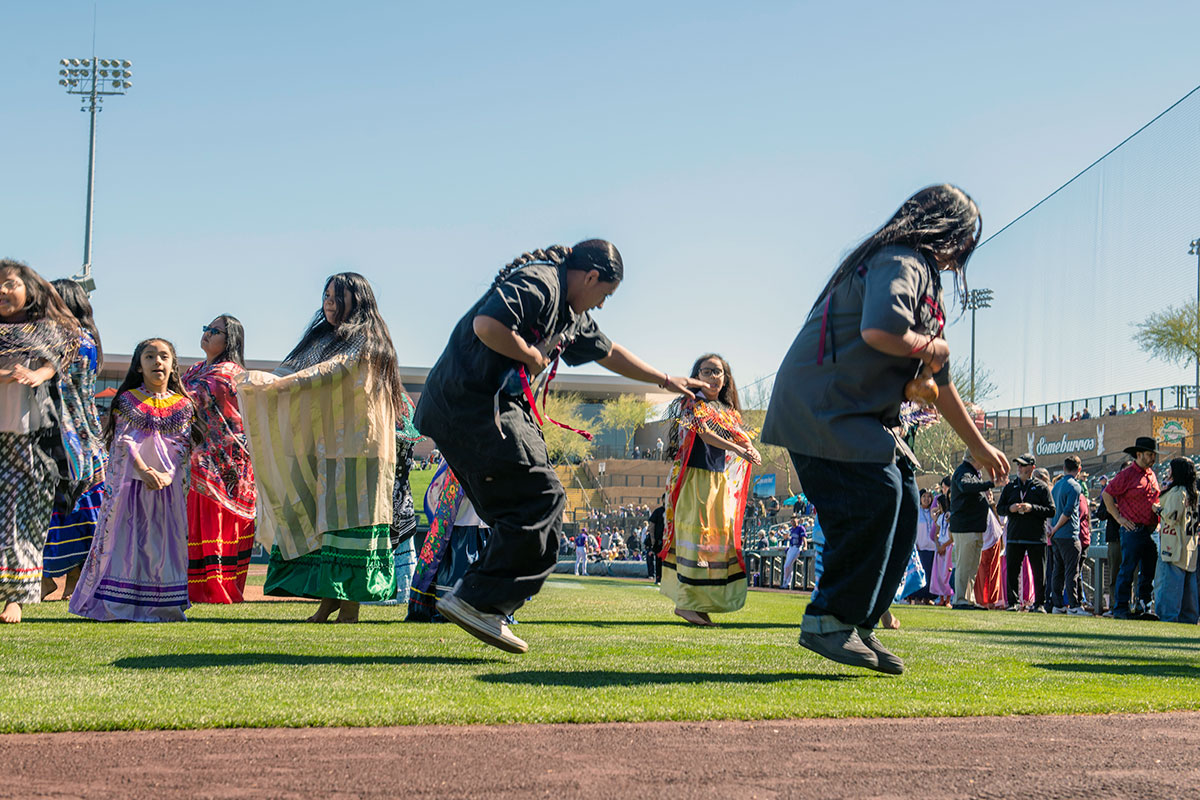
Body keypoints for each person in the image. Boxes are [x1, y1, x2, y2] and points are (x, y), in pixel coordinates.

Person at [762, 184, 1008, 674]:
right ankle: (829, 619)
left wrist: (979, 448)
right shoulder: (902, 260)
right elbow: (881, 330)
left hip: (848, 414)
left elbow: (939, 380)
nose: (965, 252)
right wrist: (931, 349)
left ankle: (857, 622)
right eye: (965, 239)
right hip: (823, 409)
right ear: (948, 230)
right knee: (878, 493)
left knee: (903, 498)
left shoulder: (923, 277)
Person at [414, 241, 704, 653]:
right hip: (471, 407)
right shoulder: (540, 283)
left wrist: (665, 379)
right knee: (544, 499)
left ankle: (481, 600)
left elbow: (610, 352)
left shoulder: (572, 315)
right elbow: (486, 325)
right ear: (589, 277)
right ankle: (477, 600)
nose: (601, 305)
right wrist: (530, 353)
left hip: (481, 410)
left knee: (530, 513)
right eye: (605, 294)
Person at [242, 273, 403, 623]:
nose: (328, 302)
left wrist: (280, 383)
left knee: (353, 524)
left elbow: (331, 371)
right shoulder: (321, 339)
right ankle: (328, 602)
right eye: (326, 295)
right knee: (327, 522)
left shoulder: (368, 339)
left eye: (336, 296)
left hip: (362, 449)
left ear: (356, 300)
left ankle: (350, 607)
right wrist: (265, 383)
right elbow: (295, 368)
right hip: (327, 446)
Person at [69, 339, 196, 622]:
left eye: (164, 356)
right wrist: (145, 471)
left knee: (162, 542)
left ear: (173, 364)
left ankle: (162, 606)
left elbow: (181, 444)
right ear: (139, 366)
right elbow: (124, 441)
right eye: (150, 356)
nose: (157, 362)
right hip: (132, 486)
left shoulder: (184, 405)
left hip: (167, 487)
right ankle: (119, 605)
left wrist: (167, 474)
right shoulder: (128, 401)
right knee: (126, 539)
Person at [0, 261, 83, 623]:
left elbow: (57, 359)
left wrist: (38, 373)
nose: (2, 291)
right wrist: (7, 374)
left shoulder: (49, 329)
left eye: (9, 284)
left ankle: (15, 598)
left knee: (20, 517)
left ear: (30, 290)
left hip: (30, 438)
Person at [659, 354, 761, 626]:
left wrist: (749, 445)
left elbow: (738, 433)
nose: (714, 377)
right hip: (695, 479)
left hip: (717, 481)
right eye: (708, 371)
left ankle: (698, 602)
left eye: (719, 372)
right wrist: (741, 448)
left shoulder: (725, 410)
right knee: (697, 538)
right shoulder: (691, 402)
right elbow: (704, 434)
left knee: (714, 542)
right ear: (697, 375)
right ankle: (685, 603)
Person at [181, 315, 256, 604]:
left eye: (215, 331)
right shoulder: (196, 369)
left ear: (230, 341)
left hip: (223, 465)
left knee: (215, 522)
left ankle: (216, 588)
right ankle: (193, 586)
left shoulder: (228, 373)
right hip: (195, 461)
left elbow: (192, 399)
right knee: (195, 522)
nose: (207, 334)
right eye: (206, 329)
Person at [41, 278, 107, 601]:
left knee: (61, 503)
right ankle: (69, 578)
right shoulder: (88, 339)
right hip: (85, 433)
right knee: (77, 506)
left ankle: (48, 577)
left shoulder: (70, 339)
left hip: (67, 433)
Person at [1103, 437, 1161, 620]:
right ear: (1139, 454)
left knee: (1149, 567)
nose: (1153, 458)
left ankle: (1143, 604)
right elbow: (1107, 493)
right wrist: (1119, 518)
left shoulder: (1151, 474)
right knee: (1128, 568)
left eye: (1154, 454)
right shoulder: (1127, 474)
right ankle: (1121, 608)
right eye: (1150, 454)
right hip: (1133, 528)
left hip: (1149, 529)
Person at [996, 453, 1053, 612]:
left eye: (1023, 465)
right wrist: (1010, 509)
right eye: (1018, 464)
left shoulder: (1041, 487)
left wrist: (1032, 508)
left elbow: (1051, 510)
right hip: (1015, 536)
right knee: (1012, 572)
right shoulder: (1010, 487)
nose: (1019, 467)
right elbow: (1000, 508)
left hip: (1036, 537)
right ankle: (1013, 602)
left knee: (1038, 572)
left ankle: (1039, 604)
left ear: (1032, 468)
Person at [949, 451, 1000, 610]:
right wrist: (990, 484)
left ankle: (968, 599)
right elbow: (966, 486)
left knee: (971, 566)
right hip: (966, 527)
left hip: (974, 527)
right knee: (964, 565)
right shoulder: (963, 472)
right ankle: (960, 599)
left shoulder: (971, 473)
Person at [1154, 457, 1199, 624]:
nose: (1169, 472)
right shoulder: (1193, 493)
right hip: (1189, 547)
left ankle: (1168, 620)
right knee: (1188, 592)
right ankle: (1188, 622)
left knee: (1168, 590)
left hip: (1172, 547)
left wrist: (1157, 509)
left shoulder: (1178, 492)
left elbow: (1172, 516)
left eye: (1172, 469)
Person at [1048, 456, 1088, 615]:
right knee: (1072, 571)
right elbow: (1068, 511)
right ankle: (1074, 605)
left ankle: (1057, 604)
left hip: (1056, 536)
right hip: (1068, 534)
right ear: (1079, 469)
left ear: (1064, 468)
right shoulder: (1075, 486)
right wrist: (1056, 527)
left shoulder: (1056, 486)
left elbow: (1052, 509)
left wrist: (1051, 528)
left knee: (1058, 570)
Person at [782, 513, 808, 590]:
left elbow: (804, 538)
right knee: (788, 566)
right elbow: (790, 538)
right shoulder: (791, 529)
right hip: (791, 547)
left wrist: (805, 546)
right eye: (792, 520)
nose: (793, 521)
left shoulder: (801, 528)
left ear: (797, 520)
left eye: (794, 519)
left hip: (797, 547)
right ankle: (787, 584)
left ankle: (785, 582)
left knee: (787, 565)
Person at [647, 496, 665, 583]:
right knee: (658, 560)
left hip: (671, 541)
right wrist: (653, 541)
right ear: (663, 500)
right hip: (660, 541)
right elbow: (651, 526)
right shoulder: (658, 511)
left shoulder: (674, 511)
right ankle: (658, 577)